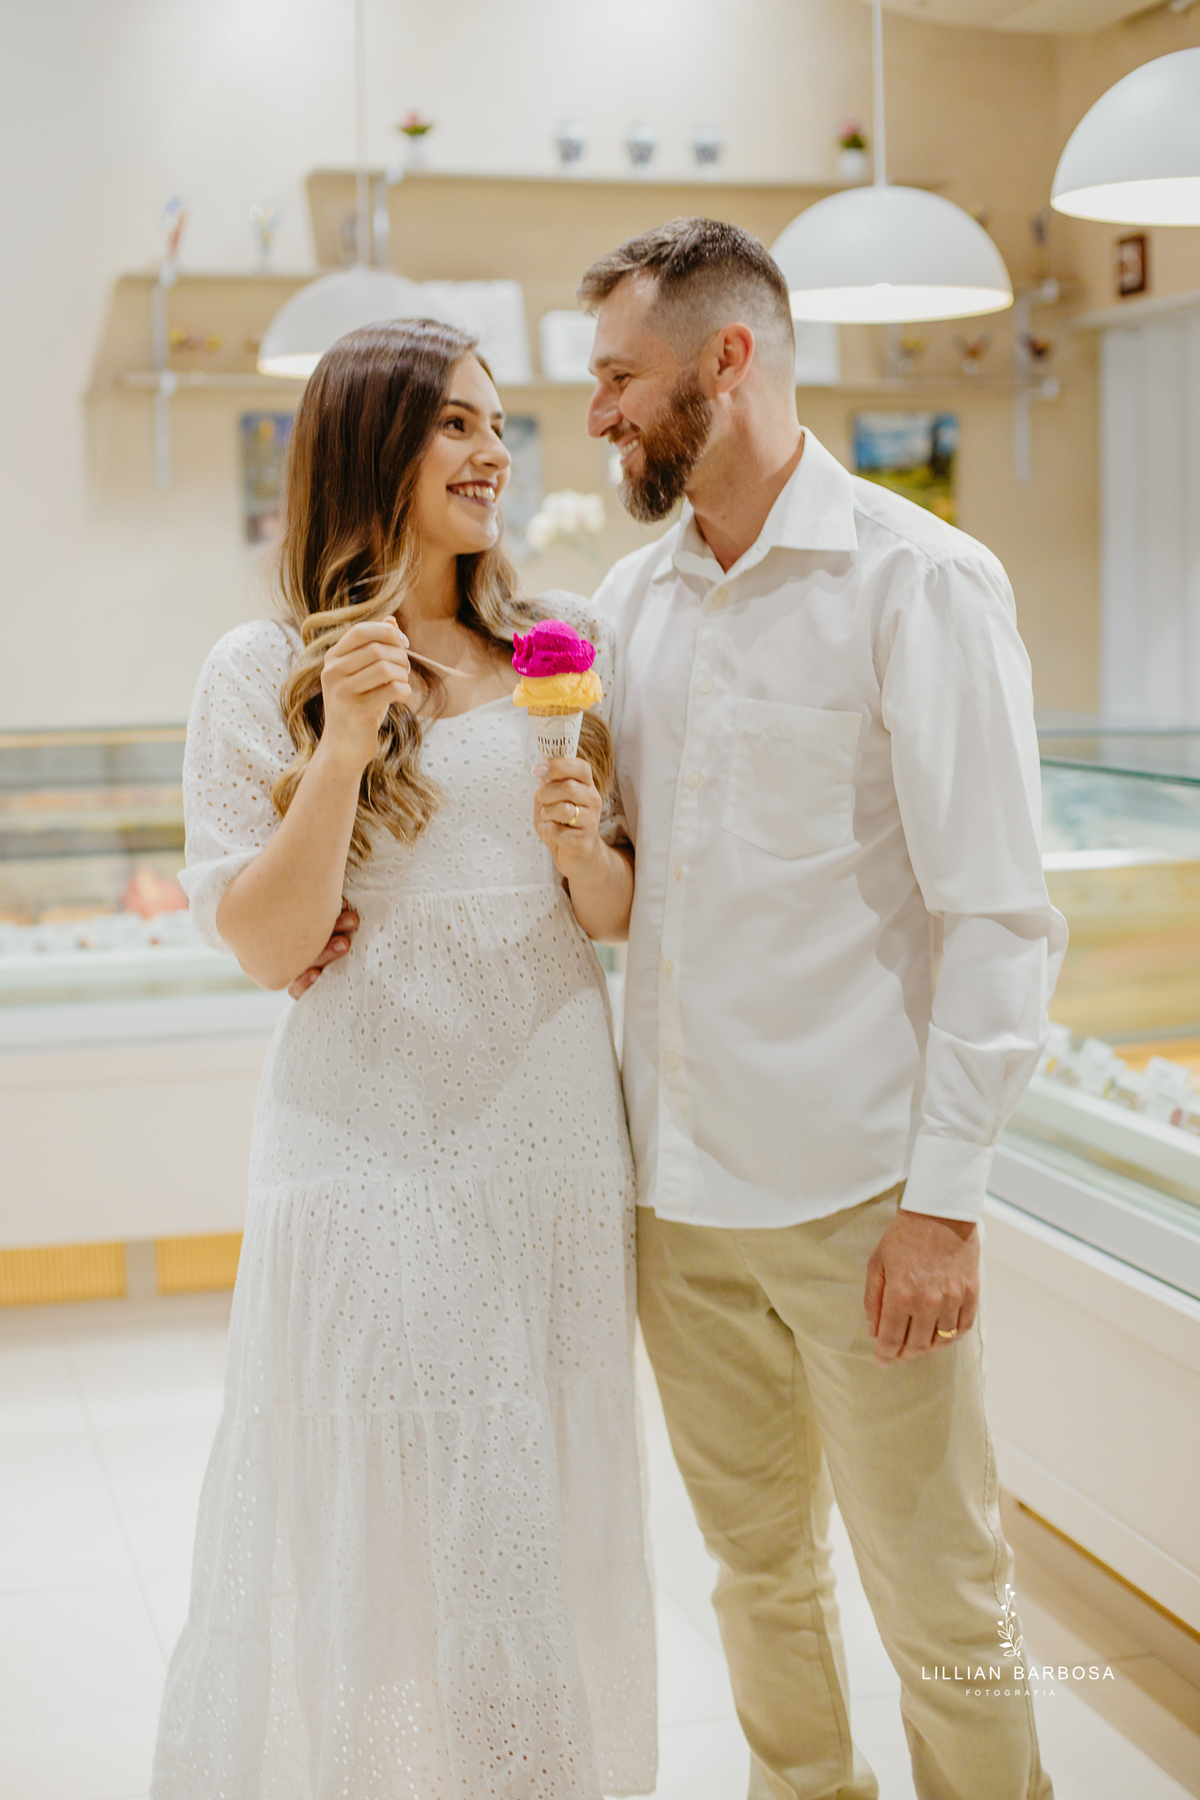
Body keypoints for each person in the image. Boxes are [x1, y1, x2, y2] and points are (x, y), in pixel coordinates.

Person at [577, 219, 1066, 1800]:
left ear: (729, 360)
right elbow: (640, 898)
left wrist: (946, 1202)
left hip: (865, 1204)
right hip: (678, 1204)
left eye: (622, 378)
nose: (598, 413)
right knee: (755, 1580)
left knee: (942, 1593)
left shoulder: (918, 583)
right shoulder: (631, 605)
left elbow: (998, 913)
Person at [151, 318, 656, 1800]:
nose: (494, 452)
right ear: (370, 444)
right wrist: (343, 738)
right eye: (455, 424)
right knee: (395, 1483)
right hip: (363, 1132)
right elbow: (266, 942)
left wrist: (586, 851)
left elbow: (618, 910)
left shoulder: (560, 644)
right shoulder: (262, 668)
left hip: (549, 1120)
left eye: (497, 424)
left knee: (527, 1485)